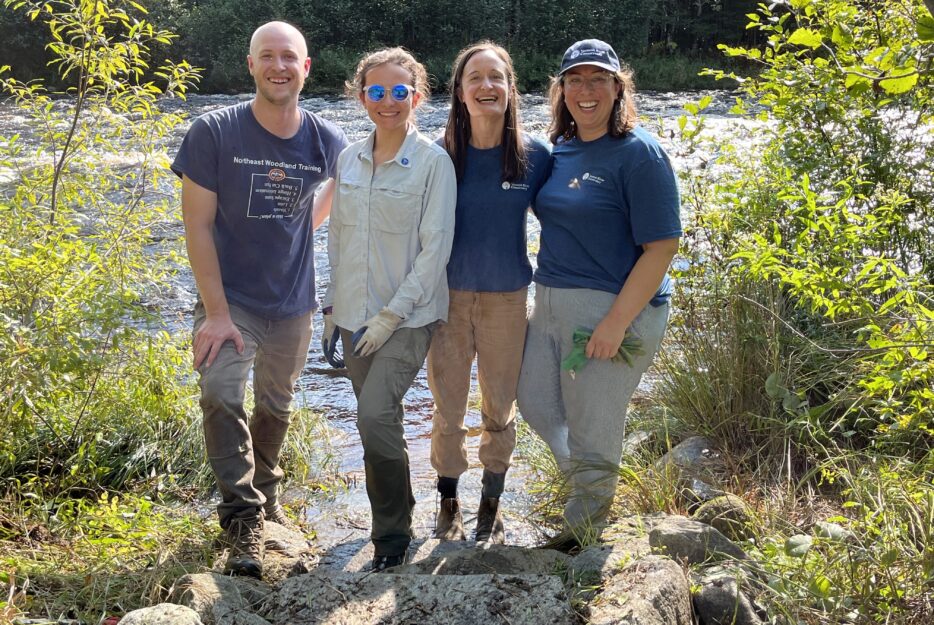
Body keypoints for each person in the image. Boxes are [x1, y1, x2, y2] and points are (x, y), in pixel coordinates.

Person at [171, 21, 347, 578]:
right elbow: (196, 227)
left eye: (288, 57)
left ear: (306, 67)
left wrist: (303, 230)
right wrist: (217, 313)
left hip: (294, 300)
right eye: (267, 57)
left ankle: (266, 497)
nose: (278, 66)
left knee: (277, 405)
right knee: (222, 392)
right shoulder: (214, 132)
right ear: (251, 66)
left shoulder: (327, 139)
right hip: (232, 299)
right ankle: (242, 519)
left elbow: (334, 204)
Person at [516, 39, 681, 548]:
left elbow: (662, 247)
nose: (586, 91)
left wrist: (615, 323)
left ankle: (585, 536)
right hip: (549, 300)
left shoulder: (640, 154)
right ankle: (590, 483)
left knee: (595, 420)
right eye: (575, 80)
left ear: (617, 88)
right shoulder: (558, 150)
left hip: (615, 308)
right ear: (561, 89)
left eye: (598, 80)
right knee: (535, 403)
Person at [321, 47, 456, 571]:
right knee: (380, 424)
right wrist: (334, 307)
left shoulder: (433, 163)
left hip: (410, 316)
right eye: (376, 92)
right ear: (362, 98)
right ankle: (402, 507)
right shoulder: (348, 157)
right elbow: (338, 238)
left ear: (416, 97)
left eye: (399, 92)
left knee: (373, 416)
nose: (388, 102)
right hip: (353, 317)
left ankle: (391, 539)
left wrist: (389, 317)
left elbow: (434, 249)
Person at [427, 42, 551, 544]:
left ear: (510, 88)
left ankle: (491, 505)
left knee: (499, 407)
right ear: (459, 91)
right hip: (447, 300)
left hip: (506, 300)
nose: (486, 87)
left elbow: (568, 216)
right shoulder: (439, 154)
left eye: (495, 77)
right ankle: (448, 503)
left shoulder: (534, 155)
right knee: (448, 409)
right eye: (474, 78)